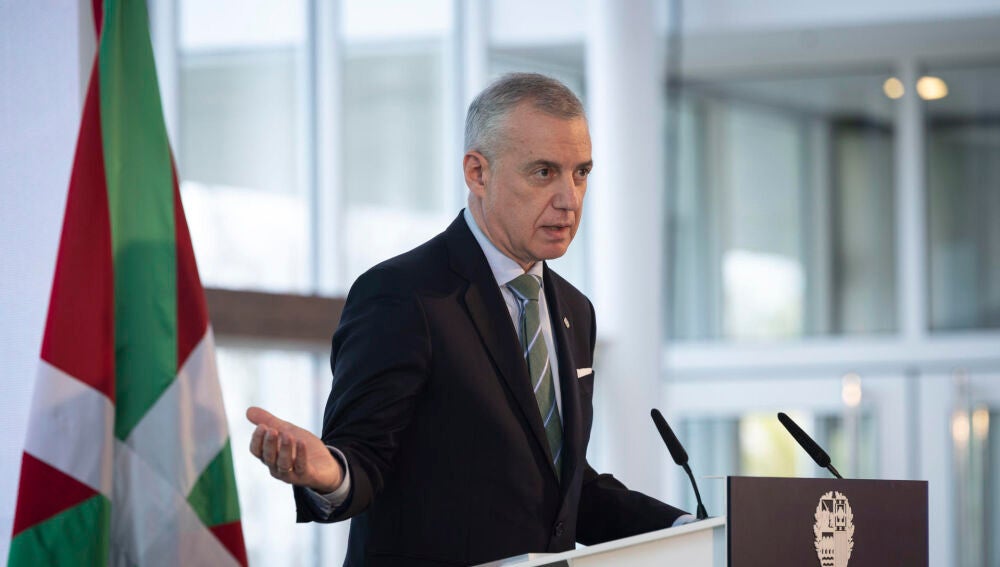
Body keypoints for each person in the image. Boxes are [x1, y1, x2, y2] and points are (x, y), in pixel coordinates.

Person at [247, 72, 690, 567]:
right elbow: (362, 459)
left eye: (580, 173)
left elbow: (562, 489)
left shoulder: (574, 309)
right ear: (478, 173)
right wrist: (329, 473)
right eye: (544, 172)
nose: (569, 198)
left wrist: (692, 530)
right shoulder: (402, 295)